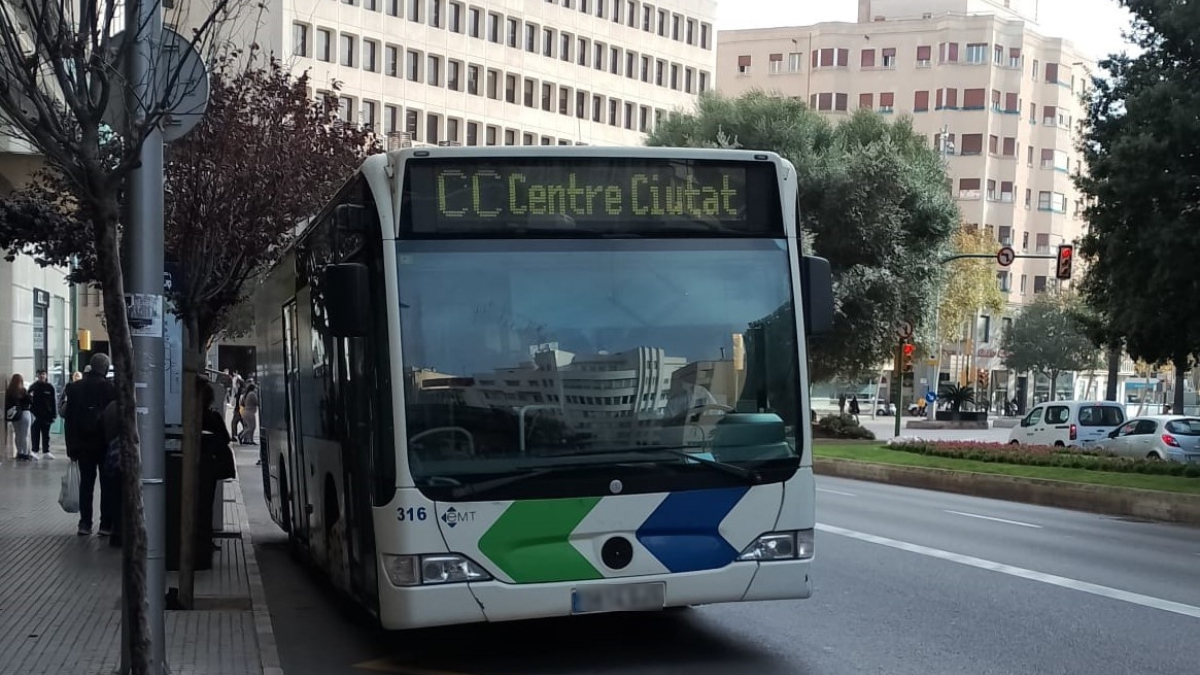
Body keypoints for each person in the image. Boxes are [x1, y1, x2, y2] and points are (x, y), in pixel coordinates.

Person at [62, 353, 118, 536]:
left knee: (86, 484)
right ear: (105, 368)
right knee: (108, 485)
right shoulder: (109, 388)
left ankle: (85, 523)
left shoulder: (75, 388)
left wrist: (71, 447)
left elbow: (69, 420)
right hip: (104, 444)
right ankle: (106, 524)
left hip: (83, 445)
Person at [28, 370, 57, 459]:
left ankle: (46, 451)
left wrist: (54, 414)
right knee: (35, 433)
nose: (42, 376)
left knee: (46, 434)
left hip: (46, 415)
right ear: (37, 375)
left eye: (43, 374)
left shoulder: (50, 387)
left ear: (46, 375)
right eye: (40, 374)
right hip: (36, 415)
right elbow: (29, 400)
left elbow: (53, 401)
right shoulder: (33, 387)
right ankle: (34, 451)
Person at [5, 374, 33, 461]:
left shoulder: (9, 392)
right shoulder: (23, 391)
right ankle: (25, 453)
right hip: (25, 413)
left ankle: (19, 452)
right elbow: (30, 401)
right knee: (25, 435)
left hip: (15, 415)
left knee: (17, 434)